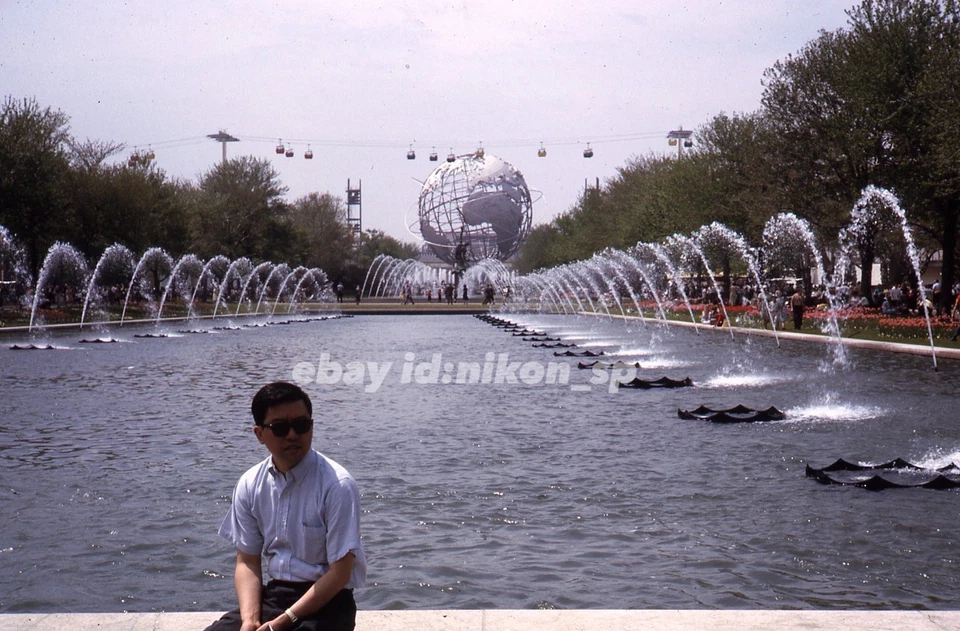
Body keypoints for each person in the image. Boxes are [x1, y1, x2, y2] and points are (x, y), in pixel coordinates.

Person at [205, 382, 366, 631]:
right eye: (280, 428)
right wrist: (250, 621)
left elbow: (340, 573)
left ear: (311, 426)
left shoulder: (337, 485)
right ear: (259, 434)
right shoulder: (250, 483)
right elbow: (247, 561)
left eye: (301, 425)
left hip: (330, 602)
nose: (292, 435)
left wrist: (281, 623)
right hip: (275, 595)